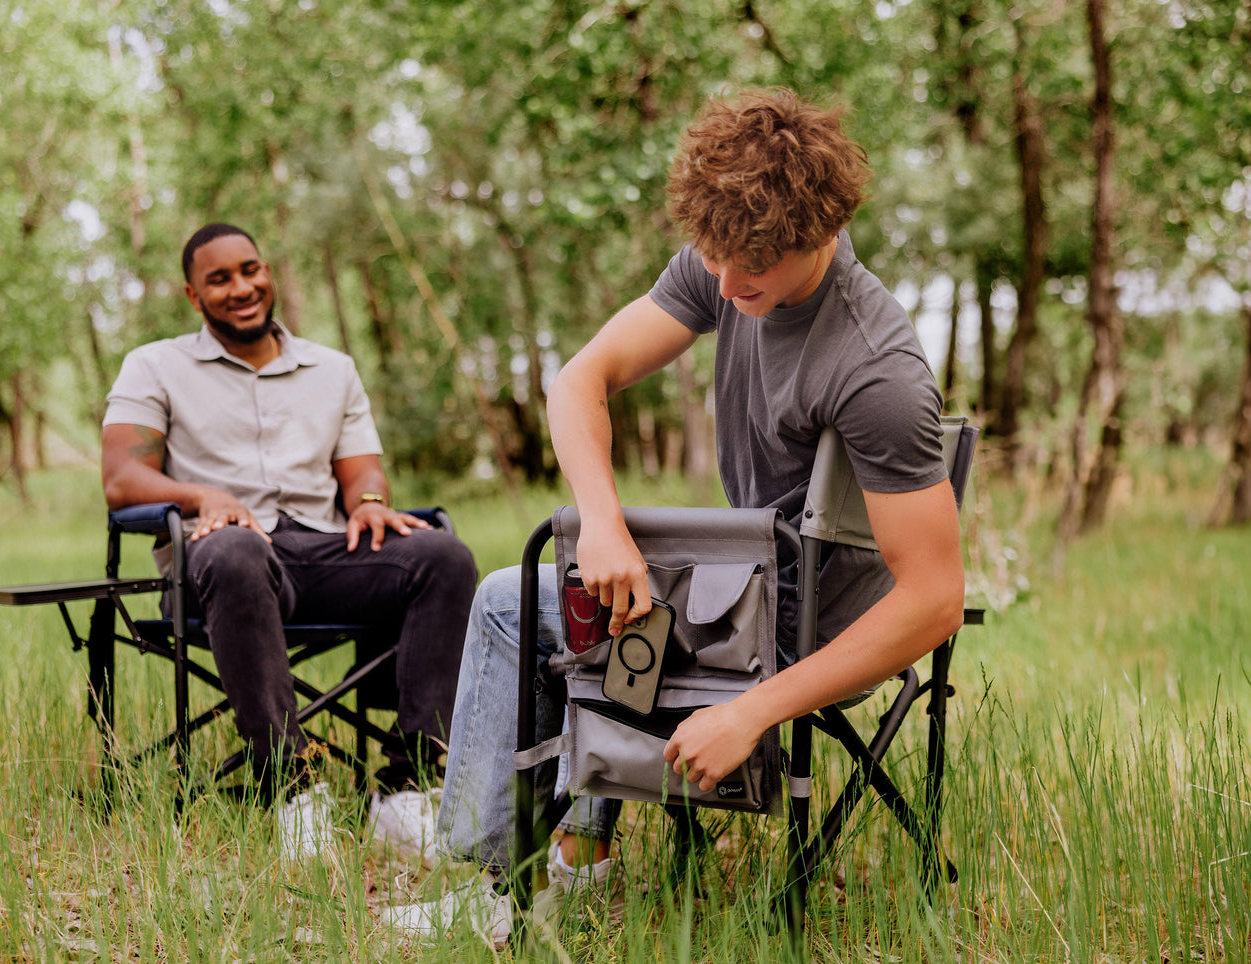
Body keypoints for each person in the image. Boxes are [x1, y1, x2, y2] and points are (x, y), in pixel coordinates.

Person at [382, 88, 966, 942]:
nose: (723, 286)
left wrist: (751, 712)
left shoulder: (874, 369)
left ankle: (503, 881)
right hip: (748, 589)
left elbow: (933, 600)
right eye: (712, 259)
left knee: (513, 604)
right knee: (599, 587)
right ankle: (567, 860)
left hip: (805, 628)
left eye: (750, 267)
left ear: (823, 229)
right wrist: (602, 524)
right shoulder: (729, 256)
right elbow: (578, 382)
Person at [101, 222, 477, 861]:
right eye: (219, 279)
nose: (241, 288)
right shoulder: (155, 365)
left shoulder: (333, 370)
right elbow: (121, 479)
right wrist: (203, 497)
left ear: (268, 272)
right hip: (218, 564)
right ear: (193, 295)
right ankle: (291, 785)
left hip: (322, 554)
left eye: (250, 270)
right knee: (236, 550)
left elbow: (362, 473)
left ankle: (408, 784)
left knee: (441, 555)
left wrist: (371, 504)